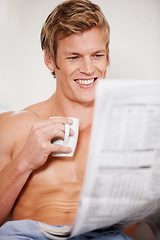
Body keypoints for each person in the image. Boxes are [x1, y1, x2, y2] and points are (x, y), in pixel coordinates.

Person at [0, 0, 136, 239]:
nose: (88, 68)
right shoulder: (14, 126)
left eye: (97, 55)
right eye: (74, 57)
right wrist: (24, 161)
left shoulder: (131, 130)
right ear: (50, 60)